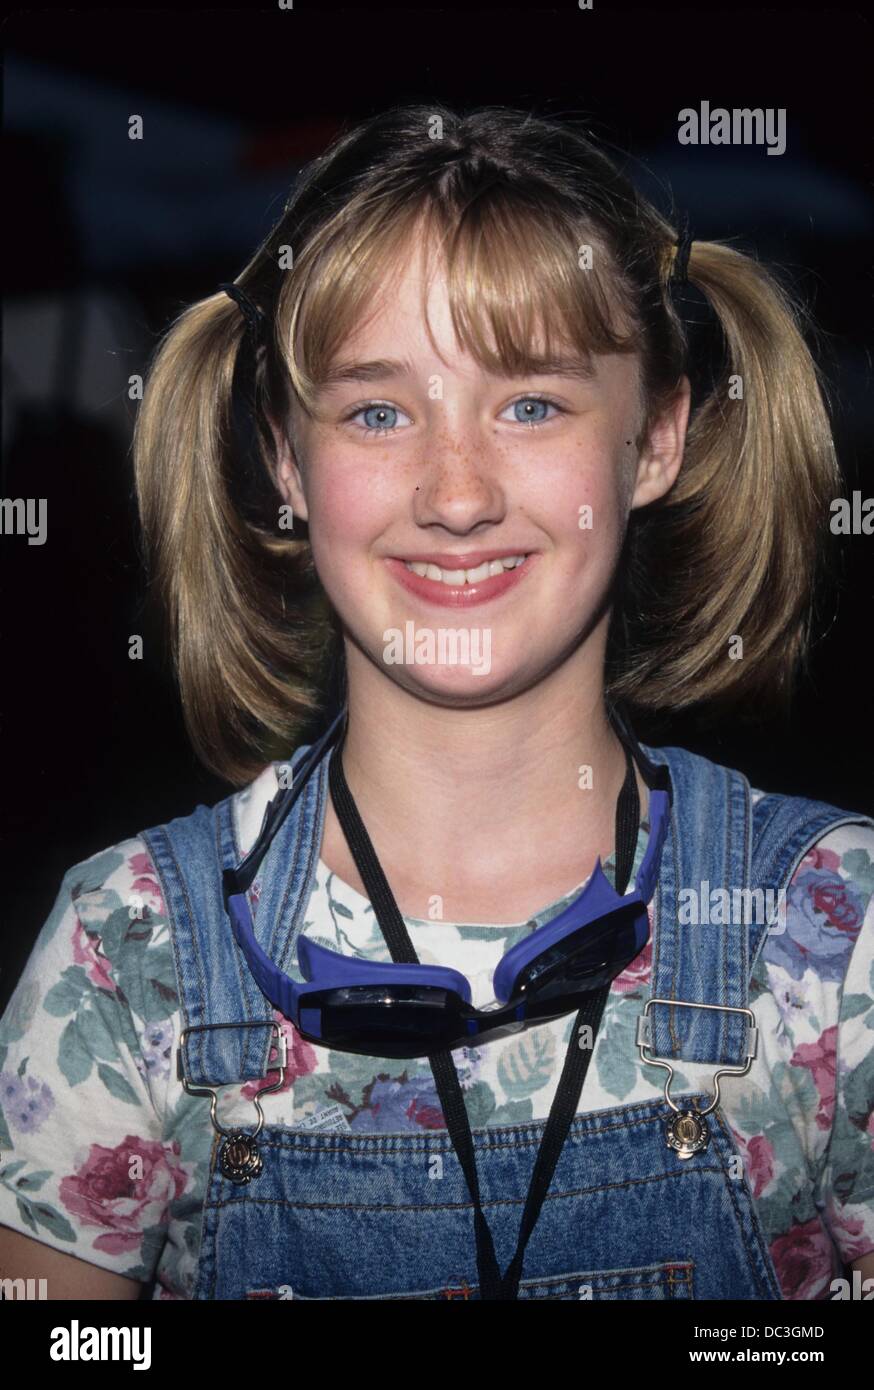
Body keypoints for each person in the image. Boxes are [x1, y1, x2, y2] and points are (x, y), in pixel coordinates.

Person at [1, 103, 872, 1303]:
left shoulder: (836, 939)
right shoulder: (126, 951)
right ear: (288, 462)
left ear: (658, 437)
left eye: (530, 404)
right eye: (376, 410)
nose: (455, 495)